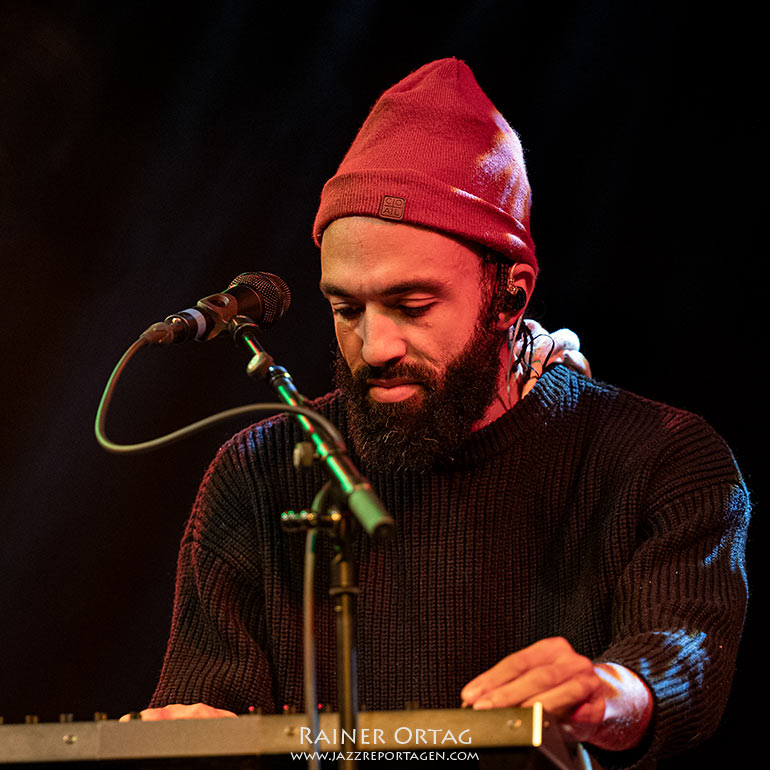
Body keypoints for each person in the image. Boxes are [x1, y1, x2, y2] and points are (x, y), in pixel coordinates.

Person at [135, 59, 750, 769]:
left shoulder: (663, 459)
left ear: (511, 295)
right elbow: (206, 711)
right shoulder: (260, 470)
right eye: (347, 309)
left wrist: (613, 692)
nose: (375, 345)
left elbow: (679, 658)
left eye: (412, 306)